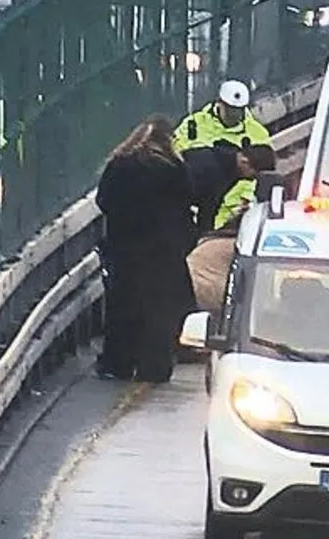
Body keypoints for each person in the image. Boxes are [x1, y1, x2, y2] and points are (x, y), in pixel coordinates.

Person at [94, 114, 197, 383]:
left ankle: (119, 363)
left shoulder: (120, 164)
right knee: (160, 311)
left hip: (125, 248)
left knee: (123, 307)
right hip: (164, 252)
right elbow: (186, 204)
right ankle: (155, 367)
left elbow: (103, 200)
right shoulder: (174, 167)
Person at [173, 79, 274, 229]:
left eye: (238, 110)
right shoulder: (194, 124)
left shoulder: (257, 133)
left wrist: (246, 201)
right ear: (219, 103)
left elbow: (261, 169)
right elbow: (176, 153)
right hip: (193, 206)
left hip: (235, 211)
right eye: (230, 109)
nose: (234, 114)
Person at [182, 139, 253, 236]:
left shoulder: (228, 165)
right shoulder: (217, 173)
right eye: (251, 175)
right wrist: (205, 235)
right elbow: (208, 206)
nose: (250, 179)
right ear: (245, 162)